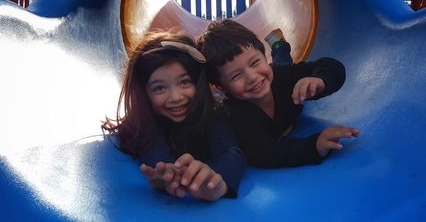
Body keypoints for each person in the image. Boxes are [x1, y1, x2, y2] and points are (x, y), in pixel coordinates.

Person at [102, 30, 245, 201]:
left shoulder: (213, 114)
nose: (175, 97)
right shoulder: (142, 124)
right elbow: (152, 149)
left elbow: (231, 151)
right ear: (143, 94)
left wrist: (218, 182)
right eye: (159, 88)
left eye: (184, 82)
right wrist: (170, 174)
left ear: (198, 82)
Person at [196, 19, 359, 168]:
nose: (252, 77)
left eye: (255, 62)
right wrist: (313, 146)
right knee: (275, 70)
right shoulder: (235, 115)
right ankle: (276, 50)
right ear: (222, 88)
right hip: (271, 76)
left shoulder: (283, 76)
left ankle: (279, 45)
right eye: (236, 75)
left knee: (282, 63)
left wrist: (320, 81)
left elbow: (331, 66)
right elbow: (264, 153)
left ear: (262, 55)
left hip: (277, 72)